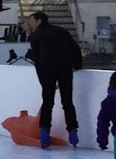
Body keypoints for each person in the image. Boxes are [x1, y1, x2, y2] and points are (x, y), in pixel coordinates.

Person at [26, 12, 82, 147]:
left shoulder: (36, 36)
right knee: (67, 102)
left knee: (47, 103)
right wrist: (77, 65)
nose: (31, 25)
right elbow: (75, 49)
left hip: (47, 70)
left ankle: (44, 136)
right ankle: (73, 133)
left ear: (39, 21)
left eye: (32, 22)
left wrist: (42, 80)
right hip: (65, 69)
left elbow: (37, 60)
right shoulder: (62, 31)